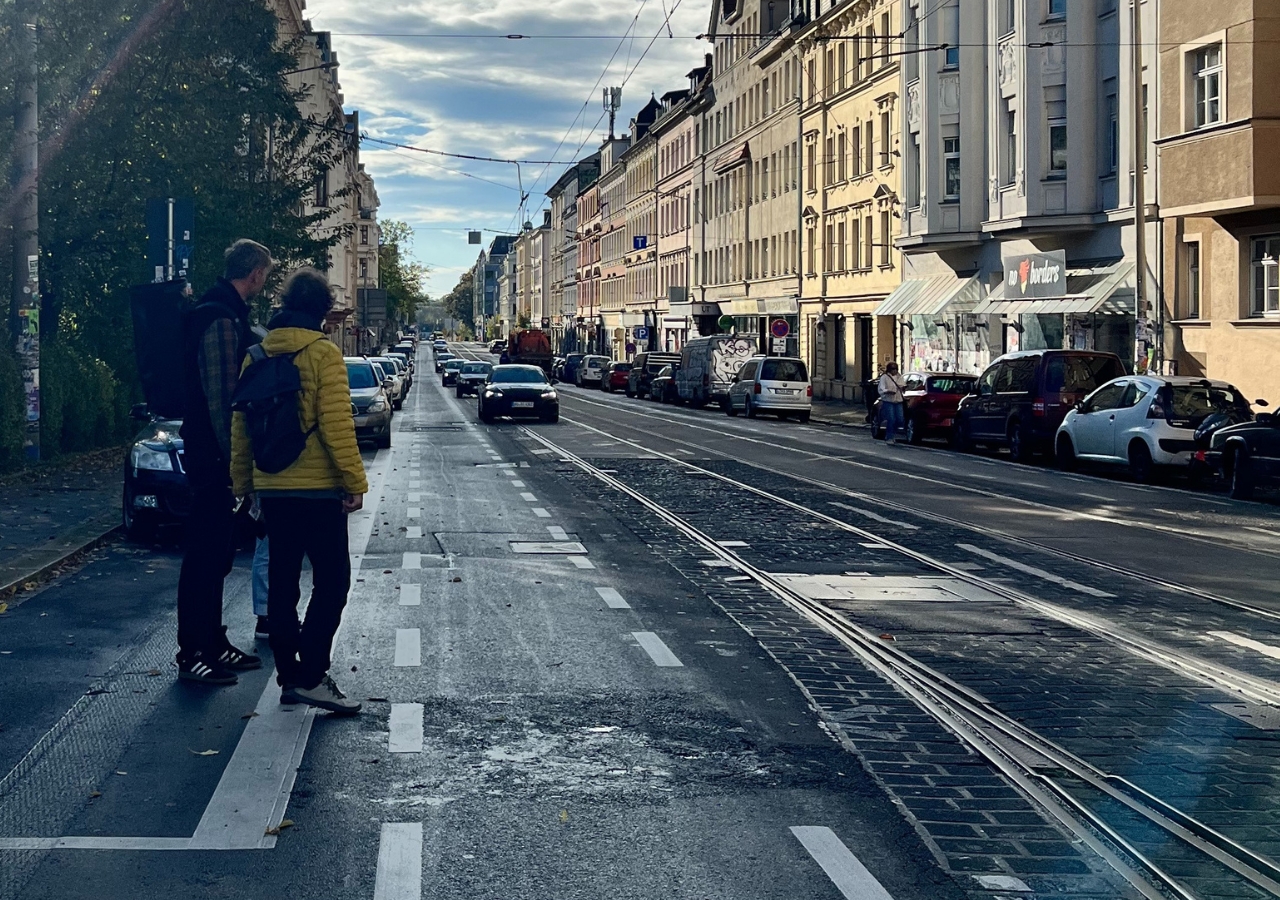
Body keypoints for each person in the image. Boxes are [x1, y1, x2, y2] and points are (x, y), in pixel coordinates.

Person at [231, 267, 368, 715]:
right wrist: (353, 481)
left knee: (283, 584)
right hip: (318, 489)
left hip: (273, 488)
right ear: (322, 311)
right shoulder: (323, 354)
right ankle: (311, 673)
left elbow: (241, 428)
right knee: (333, 582)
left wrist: (245, 485)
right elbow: (336, 425)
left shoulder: (257, 353)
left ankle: (290, 675)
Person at [175, 240, 272, 685]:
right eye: (264, 275)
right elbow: (221, 401)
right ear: (254, 273)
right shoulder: (219, 318)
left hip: (212, 454)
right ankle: (193, 651)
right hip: (212, 457)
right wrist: (234, 466)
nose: (263, 283)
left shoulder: (226, 313)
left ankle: (213, 643)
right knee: (203, 555)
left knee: (217, 555)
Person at [877, 361, 907, 445]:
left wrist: (903, 388)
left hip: (898, 400)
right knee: (891, 419)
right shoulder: (885, 377)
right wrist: (887, 391)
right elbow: (881, 388)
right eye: (893, 369)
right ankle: (889, 436)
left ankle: (893, 431)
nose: (895, 371)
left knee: (900, 419)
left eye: (896, 369)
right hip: (888, 400)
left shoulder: (899, 376)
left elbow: (902, 385)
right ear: (889, 370)